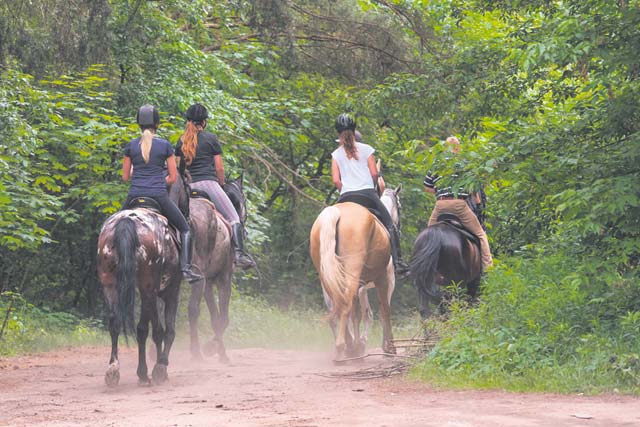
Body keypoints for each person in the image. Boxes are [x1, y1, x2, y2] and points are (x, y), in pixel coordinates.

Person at [121, 104, 202, 281]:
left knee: (114, 225)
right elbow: (173, 177)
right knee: (185, 229)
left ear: (138, 124)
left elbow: (125, 177)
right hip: (158, 196)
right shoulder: (164, 146)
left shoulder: (131, 146)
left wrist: (139, 175)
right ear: (157, 124)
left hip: (134, 196)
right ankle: (186, 269)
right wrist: (157, 182)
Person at [175, 103, 255, 269]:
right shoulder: (211, 138)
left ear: (188, 121)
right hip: (208, 184)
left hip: (188, 187)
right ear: (204, 122)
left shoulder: (181, 140)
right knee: (234, 218)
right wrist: (221, 183)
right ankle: (239, 255)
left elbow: (178, 168)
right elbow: (219, 168)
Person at [331, 113, 409, 276]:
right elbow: (374, 173)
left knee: (331, 226)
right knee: (390, 224)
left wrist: (345, 190)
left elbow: (336, 180)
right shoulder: (367, 149)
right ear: (354, 130)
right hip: (367, 194)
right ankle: (398, 262)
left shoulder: (336, 154)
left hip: (346, 196)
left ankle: (328, 261)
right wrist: (370, 186)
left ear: (338, 133)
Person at [423, 136, 493, 270]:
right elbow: (474, 193)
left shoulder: (436, 165)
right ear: (458, 148)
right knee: (480, 234)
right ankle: (488, 268)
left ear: (445, 148)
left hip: (440, 205)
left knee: (428, 235)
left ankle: (424, 267)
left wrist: (440, 192)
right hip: (459, 205)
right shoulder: (464, 165)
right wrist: (477, 203)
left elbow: (427, 187)